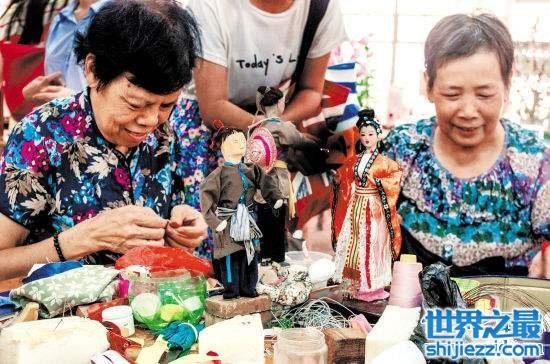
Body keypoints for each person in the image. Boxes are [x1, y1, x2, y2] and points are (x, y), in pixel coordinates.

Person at [0, 0, 207, 280]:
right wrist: (81, 240)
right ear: (93, 70)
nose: (150, 120)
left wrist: (182, 227)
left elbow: (170, 227)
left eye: (166, 105)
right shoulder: (40, 135)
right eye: (134, 104)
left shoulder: (163, 134)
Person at [171, 0, 347, 259]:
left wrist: (276, 128)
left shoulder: (320, 7)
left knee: (261, 247)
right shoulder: (210, 7)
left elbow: (311, 91)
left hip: (268, 137)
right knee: (208, 244)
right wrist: (273, 131)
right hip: (209, 137)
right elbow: (213, 107)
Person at [381, 14, 549, 277]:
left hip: (505, 312)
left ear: (507, 85)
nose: (468, 111)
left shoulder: (535, 161)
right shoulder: (401, 150)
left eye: (484, 94)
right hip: (412, 309)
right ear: (428, 85)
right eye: (452, 94)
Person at [199, 126, 283, 299]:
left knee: (250, 254)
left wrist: (275, 199)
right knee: (230, 257)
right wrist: (215, 222)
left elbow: (267, 183)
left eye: (243, 141)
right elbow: (206, 198)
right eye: (235, 141)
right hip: (228, 221)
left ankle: (248, 287)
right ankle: (232, 291)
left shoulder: (252, 169)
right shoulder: (218, 175)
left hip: (248, 221)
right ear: (223, 147)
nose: (241, 144)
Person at [332, 109, 402, 301]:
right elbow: (345, 176)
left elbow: (394, 178)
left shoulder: (386, 163)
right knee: (354, 244)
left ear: (378, 135)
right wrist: (338, 180)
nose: (366, 138)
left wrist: (379, 183)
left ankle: (372, 286)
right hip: (356, 205)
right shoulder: (354, 160)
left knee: (372, 244)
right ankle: (354, 284)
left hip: (374, 208)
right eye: (363, 135)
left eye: (370, 134)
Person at [22, 0, 107, 105]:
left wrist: (75, 101)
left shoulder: (122, 16)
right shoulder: (60, 19)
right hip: (56, 116)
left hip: (96, 119)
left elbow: (127, 95)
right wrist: (36, 94)